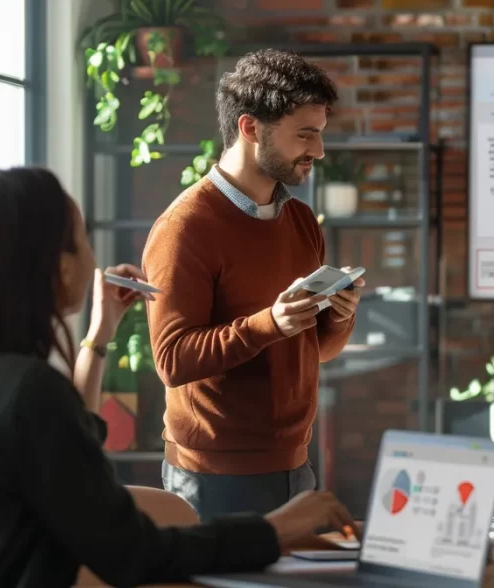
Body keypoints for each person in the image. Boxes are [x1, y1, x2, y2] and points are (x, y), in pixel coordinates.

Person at [0, 167, 356, 587]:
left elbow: (73, 434)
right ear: (55, 264)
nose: (92, 256)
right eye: (81, 237)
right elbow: (132, 553)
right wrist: (276, 530)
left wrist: (101, 331)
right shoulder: (23, 394)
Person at [144, 49, 363, 520]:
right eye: (305, 135)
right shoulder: (185, 227)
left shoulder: (301, 220)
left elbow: (313, 350)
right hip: (212, 476)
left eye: (319, 134)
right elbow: (172, 359)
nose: (318, 151)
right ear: (250, 128)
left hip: (295, 464)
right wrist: (271, 323)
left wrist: (338, 318)